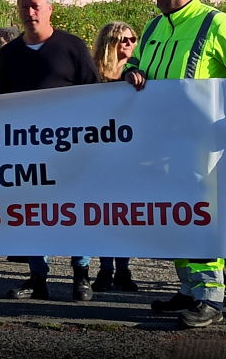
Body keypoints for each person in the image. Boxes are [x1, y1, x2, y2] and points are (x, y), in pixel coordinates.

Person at [123, 0, 226, 328]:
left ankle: (210, 297)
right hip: (163, 140)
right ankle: (189, 289)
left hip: (204, 141)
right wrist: (132, 73)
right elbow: (138, 66)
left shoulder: (217, 24)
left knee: (200, 212)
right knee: (176, 213)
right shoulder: (154, 26)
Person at [0, 0, 99, 302]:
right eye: (24, 7)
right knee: (30, 213)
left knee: (74, 212)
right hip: (25, 153)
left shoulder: (72, 47)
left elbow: (95, 96)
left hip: (70, 152)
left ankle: (81, 274)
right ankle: (37, 276)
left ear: (50, 9)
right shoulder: (8, 55)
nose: (30, 13)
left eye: (36, 6)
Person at [89, 21, 140, 294]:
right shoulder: (92, 74)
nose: (131, 43)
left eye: (133, 39)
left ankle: (123, 269)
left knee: (124, 214)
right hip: (97, 154)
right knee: (102, 214)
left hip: (127, 155)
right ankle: (105, 268)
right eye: (125, 39)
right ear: (111, 42)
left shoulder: (136, 75)